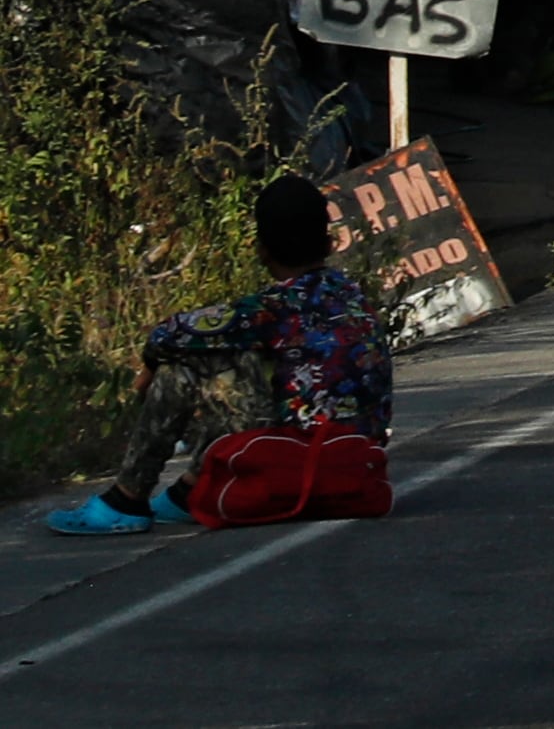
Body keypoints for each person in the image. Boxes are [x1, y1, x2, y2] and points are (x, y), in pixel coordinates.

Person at [46, 174, 389, 537]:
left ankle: (126, 499)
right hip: (358, 463)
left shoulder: (272, 309)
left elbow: (170, 333)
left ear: (261, 249)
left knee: (182, 369)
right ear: (329, 243)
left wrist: (148, 369)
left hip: (294, 463)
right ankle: (187, 493)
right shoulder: (353, 296)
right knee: (239, 361)